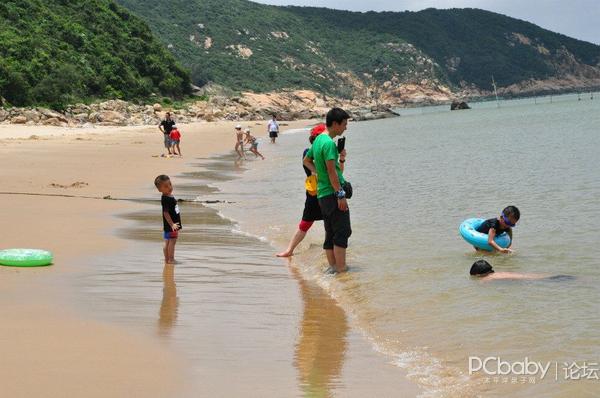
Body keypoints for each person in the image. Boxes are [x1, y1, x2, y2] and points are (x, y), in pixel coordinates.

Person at [277, 123, 336, 257]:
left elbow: (336, 173)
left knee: (330, 222)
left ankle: (331, 251)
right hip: (315, 192)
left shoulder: (329, 151)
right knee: (306, 223)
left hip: (326, 190)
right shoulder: (308, 153)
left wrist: (341, 158)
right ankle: (289, 250)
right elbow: (319, 169)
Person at [303, 108, 351, 274]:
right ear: (336, 124)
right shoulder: (329, 143)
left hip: (323, 195)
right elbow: (332, 172)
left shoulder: (317, 141)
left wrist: (318, 173)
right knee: (342, 231)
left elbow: (306, 160)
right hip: (332, 194)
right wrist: (340, 195)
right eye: (344, 124)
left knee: (330, 232)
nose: (346, 128)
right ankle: (341, 269)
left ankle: (333, 268)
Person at [154, 175, 182, 264]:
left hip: (169, 225)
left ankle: (167, 259)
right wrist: (172, 224)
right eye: (166, 186)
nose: (169, 187)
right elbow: (165, 213)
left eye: (170, 184)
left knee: (167, 241)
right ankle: (171, 259)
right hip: (172, 225)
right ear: (160, 189)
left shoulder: (167, 197)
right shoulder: (166, 199)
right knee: (172, 242)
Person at [469, 260, 573, 281]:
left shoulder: (488, 278)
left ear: (478, 274)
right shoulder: (497, 272)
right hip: (528, 276)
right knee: (555, 277)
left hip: (530, 281)